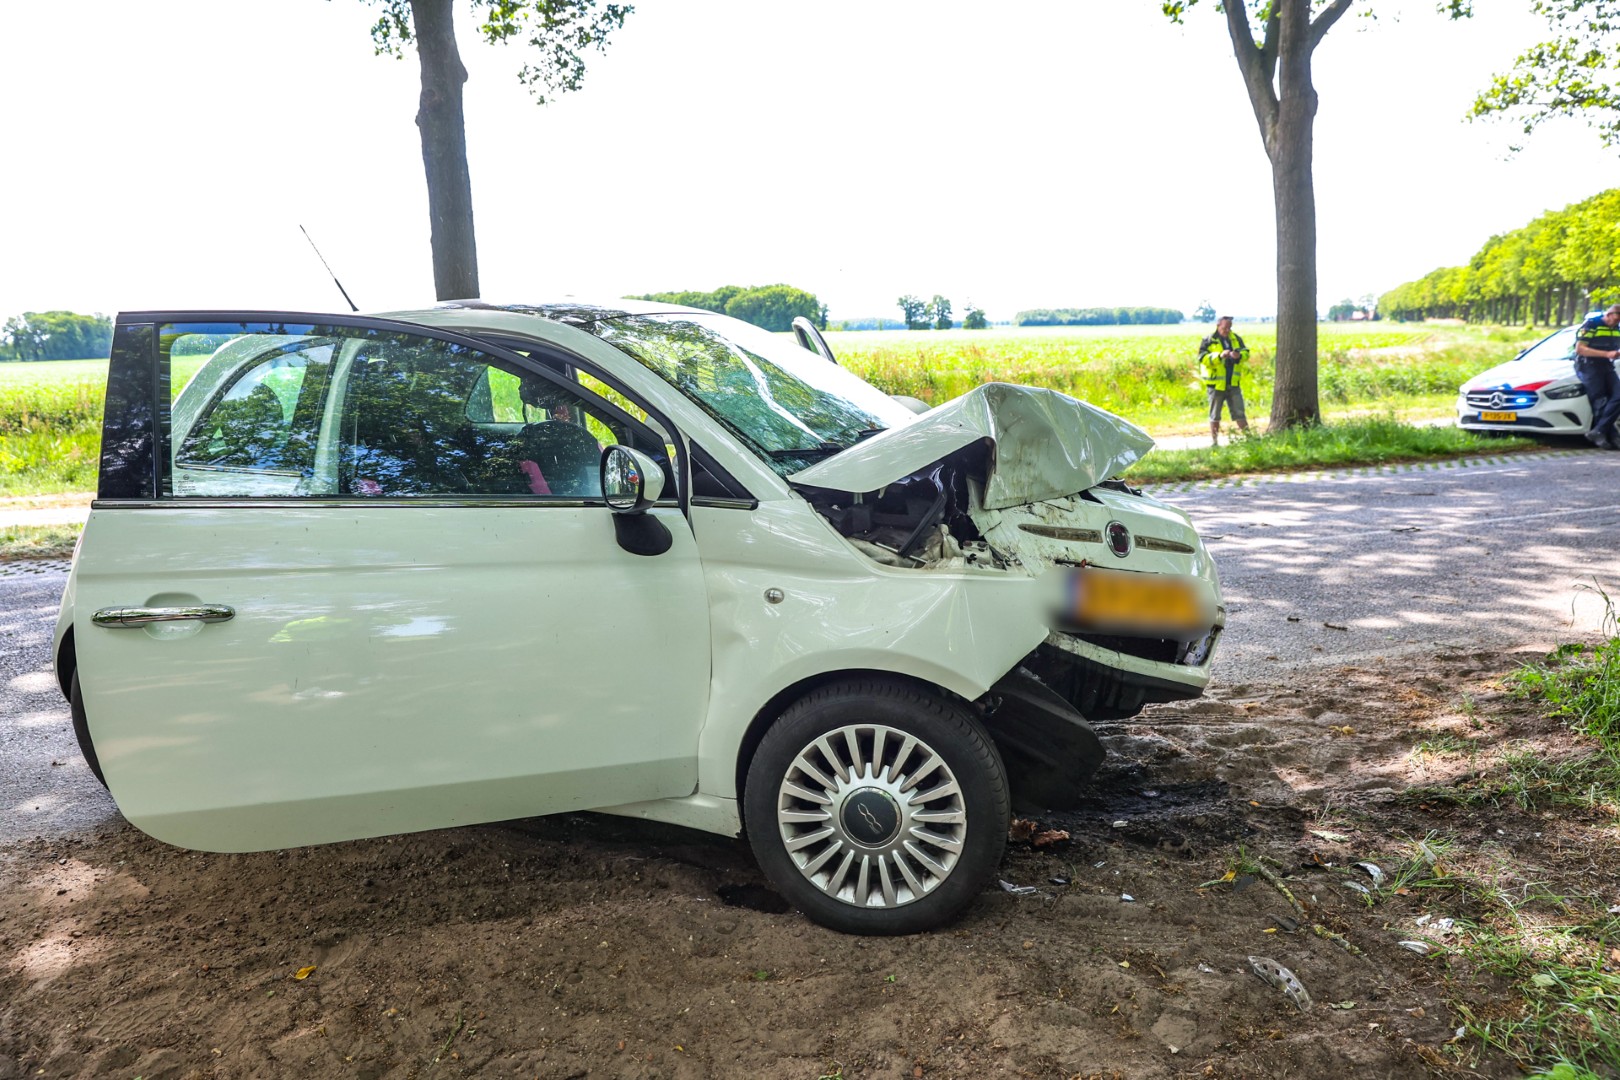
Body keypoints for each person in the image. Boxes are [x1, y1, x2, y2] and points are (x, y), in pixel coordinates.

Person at [1198, 314, 1250, 446]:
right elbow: (1203, 359)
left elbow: (1246, 353)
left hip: (1233, 382)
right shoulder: (1209, 340)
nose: (1227, 330)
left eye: (1229, 327)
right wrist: (1219, 356)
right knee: (1215, 415)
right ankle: (1214, 442)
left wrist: (1238, 356)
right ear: (1218, 325)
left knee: (1239, 412)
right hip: (1216, 384)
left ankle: (1250, 439)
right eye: (1225, 327)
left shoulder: (1236, 339)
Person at [1574, 304, 1620, 450]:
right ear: (1609, 314)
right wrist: (1606, 354)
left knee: (1618, 395)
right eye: (1617, 319)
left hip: (1606, 365)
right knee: (1600, 400)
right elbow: (1580, 349)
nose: (1617, 323)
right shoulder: (1591, 324)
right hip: (1589, 366)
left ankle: (1599, 431)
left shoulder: (1616, 329)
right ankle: (1610, 435)